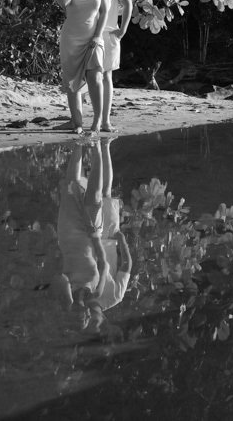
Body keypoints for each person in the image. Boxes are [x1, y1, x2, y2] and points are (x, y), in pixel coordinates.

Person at [50, 141, 108, 322]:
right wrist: (94, 235)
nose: (86, 317)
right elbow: (103, 263)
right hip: (92, 237)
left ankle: (79, 144)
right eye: (87, 320)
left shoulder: (64, 295)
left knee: (71, 186)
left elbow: (59, 278)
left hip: (68, 237)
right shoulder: (96, 292)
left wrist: (68, 301)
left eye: (82, 320)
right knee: (95, 195)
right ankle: (98, 146)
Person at [57, 0, 109, 135]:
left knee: (95, 77)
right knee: (73, 82)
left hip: (93, 37)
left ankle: (96, 122)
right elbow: (64, 2)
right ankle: (76, 122)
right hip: (71, 38)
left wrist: (97, 35)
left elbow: (104, 11)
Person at [86, 136, 132, 332]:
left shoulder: (80, 299)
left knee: (88, 194)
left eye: (87, 323)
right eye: (94, 322)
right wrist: (122, 240)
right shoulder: (114, 298)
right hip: (109, 238)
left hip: (88, 239)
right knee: (105, 192)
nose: (89, 319)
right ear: (102, 319)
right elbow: (126, 266)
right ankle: (105, 145)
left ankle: (89, 148)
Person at [88, 0, 133, 132]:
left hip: (108, 33)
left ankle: (105, 121)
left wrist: (122, 29)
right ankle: (78, 119)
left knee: (106, 75)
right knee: (83, 77)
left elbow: (128, 2)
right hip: (84, 32)